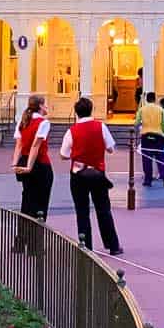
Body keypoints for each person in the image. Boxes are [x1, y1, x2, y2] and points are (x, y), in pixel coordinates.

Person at [60, 96, 123, 255]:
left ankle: (86, 246)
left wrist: (76, 154)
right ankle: (112, 245)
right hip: (97, 172)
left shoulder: (71, 131)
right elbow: (110, 148)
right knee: (103, 209)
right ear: (91, 109)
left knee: (82, 211)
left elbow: (63, 154)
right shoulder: (100, 127)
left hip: (78, 173)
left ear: (76, 112)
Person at [11, 94, 54, 229]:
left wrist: (15, 164)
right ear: (40, 106)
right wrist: (29, 166)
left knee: (27, 200)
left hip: (23, 161)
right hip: (40, 164)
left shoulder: (23, 121)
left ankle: (21, 238)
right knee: (41, 203)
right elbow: (36, 145)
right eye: (45, 104)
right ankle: (36, 242)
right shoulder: (43, 122)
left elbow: (19, 145)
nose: (47, 107)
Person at [136, 91, 164, 187]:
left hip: (146, 137)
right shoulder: (160, 110)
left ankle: (148, 180)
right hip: (158, 136)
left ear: (146, 99)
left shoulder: (142, 109)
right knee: (161, 158)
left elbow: (136, 122)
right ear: (155, 99)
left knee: (147, 159)